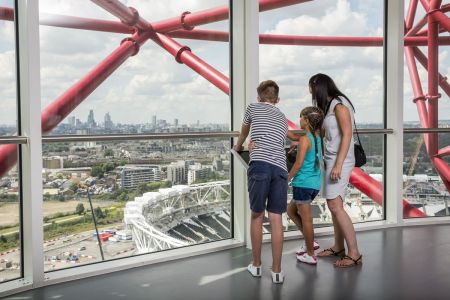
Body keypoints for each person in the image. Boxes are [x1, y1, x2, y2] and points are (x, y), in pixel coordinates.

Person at [233, 80, 297, 283]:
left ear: (258, 97)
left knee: (257, 215)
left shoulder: (252, 107)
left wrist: (240, 145)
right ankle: (277, 271)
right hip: (280, 168)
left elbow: (244, 133)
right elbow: (284, 137)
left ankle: (257, 265)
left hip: (260, 165)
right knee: (276, 217)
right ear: (277, 100)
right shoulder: (282, 116)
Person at [309, 73, 363, 267]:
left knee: (335, 206)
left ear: (318, 87)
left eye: (311, 88)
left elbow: (347, 135)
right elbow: (323, 134)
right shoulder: (329, 106)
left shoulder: (339, 105)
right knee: (334, 206)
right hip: (331, 159)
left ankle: (354, 253)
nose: (310, 93)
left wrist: (339, 164)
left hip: (340, 161)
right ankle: (338, 246)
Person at [286, 106, 324, 266]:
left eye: (301, 117)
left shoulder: (305, 139)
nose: (299, 120)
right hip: (314, 183)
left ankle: (310, 254)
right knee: (291, 210)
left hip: (303, 184)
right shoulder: (317, 137)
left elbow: (299, 164)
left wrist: (287, 178)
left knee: (307, 220)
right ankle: (311, 243)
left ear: (307, 121)